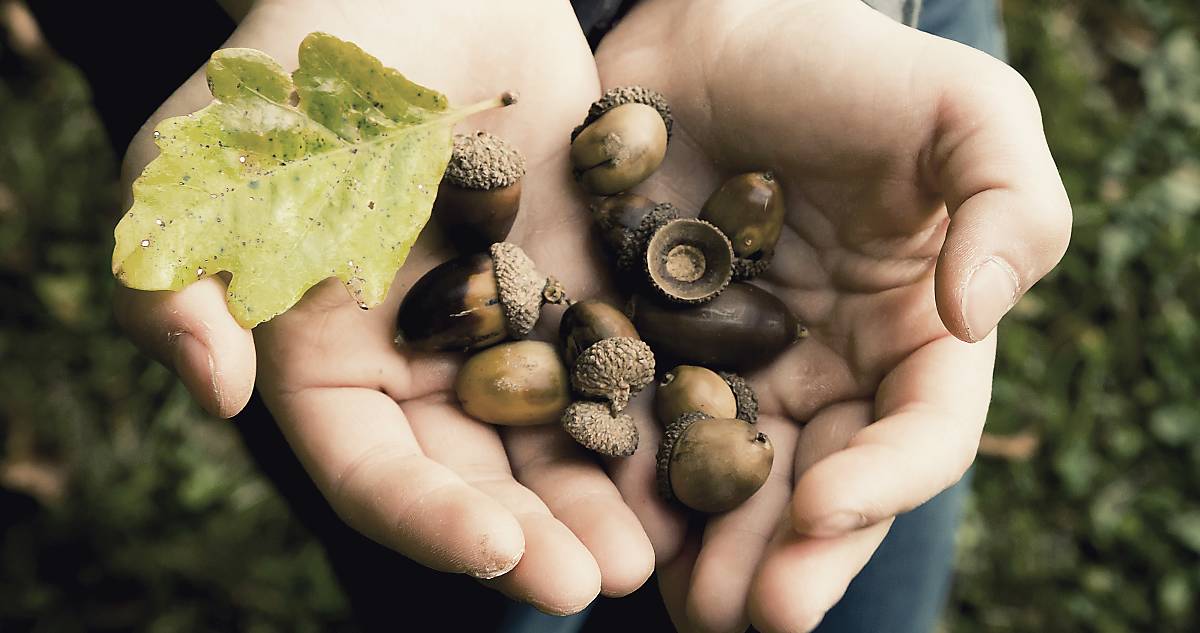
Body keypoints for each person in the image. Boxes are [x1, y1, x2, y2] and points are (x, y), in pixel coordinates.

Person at [36, 0, 1071, 631]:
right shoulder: (558, 305)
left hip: (837, 25)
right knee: (469, 575)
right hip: (227, 19)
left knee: (830, 566)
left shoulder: (663, 330)